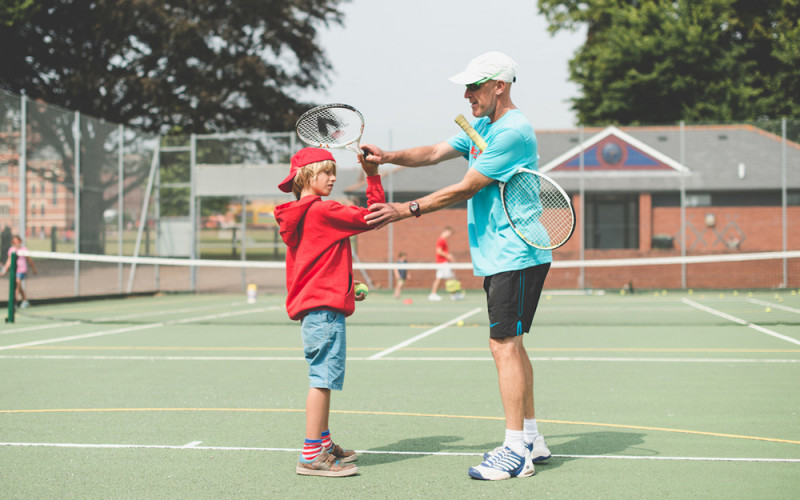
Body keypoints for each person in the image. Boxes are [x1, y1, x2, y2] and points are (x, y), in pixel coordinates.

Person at [362, 51, 552, 481]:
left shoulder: (513, 132)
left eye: (475, 86)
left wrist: (405, 209)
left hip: (516, 250)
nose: (467, 94)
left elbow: (465, 188)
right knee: (513, 344)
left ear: (499, 86)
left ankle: (514, 451)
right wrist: (388, 155)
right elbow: (433, 152)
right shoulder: (483, 127)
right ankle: (531, 439)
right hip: (502, 253)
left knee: (502, 345)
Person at [274, 147, 384, 478]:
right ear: (307, 176)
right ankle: (311, 455)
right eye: (326, 172)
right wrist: (373, 175)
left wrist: (345, 288)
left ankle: (322, 443)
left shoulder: (299, 214)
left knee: (323, 378)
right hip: (323, 312)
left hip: (317, 306)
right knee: (321, 380)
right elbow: (373, 214)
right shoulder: (324, 211)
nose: (333, 178)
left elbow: (314, 265)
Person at [1, 234, 38, 309]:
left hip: (22, 270)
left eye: (18, 242)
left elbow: (30, 260)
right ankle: (25, 301)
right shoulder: (11, 250)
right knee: (19, 287)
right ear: (12, 243)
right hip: (14, 271)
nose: (17, 243)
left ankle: (14, 304)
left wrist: (34, 269)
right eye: (15, 242)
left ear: (20, 242)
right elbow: (9, 261)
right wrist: (4, 270)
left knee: (16, 286)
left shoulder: (24, 250)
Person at [429, 226, 464, 301]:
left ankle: (433, 294)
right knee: (450, 278)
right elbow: (438, 251)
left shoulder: (442, 240)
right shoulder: (441, 240)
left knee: (438, 279)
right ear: (446, 231)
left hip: (441, 262)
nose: (449, 236)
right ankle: (454, 295)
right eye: (450, 234)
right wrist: (448, 255)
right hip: (443, 262)